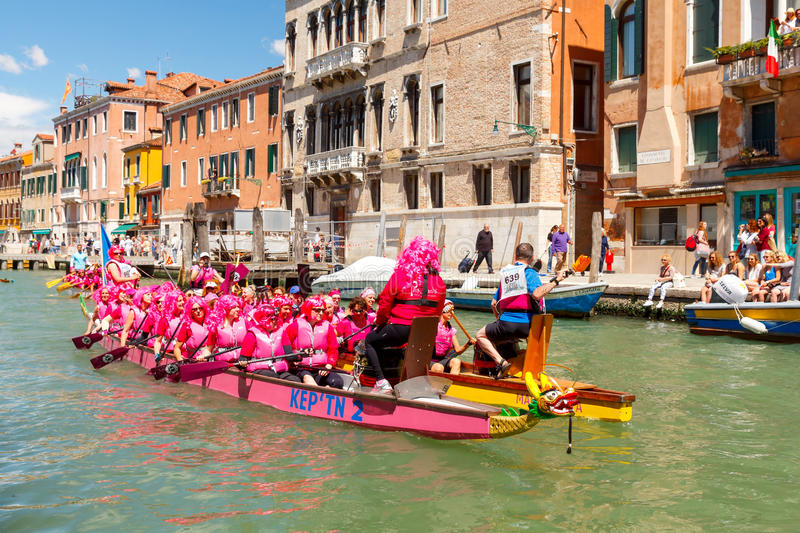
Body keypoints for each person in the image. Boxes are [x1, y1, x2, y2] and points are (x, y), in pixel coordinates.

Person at [364, 236, 447, 393]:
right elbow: (438, 312)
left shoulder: (401, 275)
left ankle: (382, 381)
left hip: (401, 327)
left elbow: (384, 304)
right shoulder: (440, 282)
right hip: (425, 332)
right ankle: (416, 382)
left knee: (369, 340)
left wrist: (380, 322)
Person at [474, 242, 564, 378]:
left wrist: (500, 321)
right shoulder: (530, 273)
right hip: (527, 327)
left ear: (515, 256)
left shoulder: (506, 275)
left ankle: (501, 362)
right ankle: (534, 372)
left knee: (480, 335)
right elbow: (537, 294)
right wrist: (556, 280)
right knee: (532, 341)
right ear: (532, 258)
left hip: (506, 325)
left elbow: (493, 304)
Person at [285, 296, 343, 389]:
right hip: (301, 367)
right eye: (317, 310)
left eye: (322, 310)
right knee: (308, 380)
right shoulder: (296, 325)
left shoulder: (327, 326)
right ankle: (319, 395)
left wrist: (329, 365)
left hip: (321, 367)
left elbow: (333, 348)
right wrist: (294, 358)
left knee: (337, 382)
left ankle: (325, 396)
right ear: (308, 309)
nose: (321, 313)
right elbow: (286, 344)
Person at [430, 300, 471, 375]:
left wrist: (468, 344)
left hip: (442, 360)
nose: (452, 313)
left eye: (453, 311)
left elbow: (458, 350)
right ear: (442, 310)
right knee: (439, 368)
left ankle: (451, 384)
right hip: (430, 360)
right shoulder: (433, 325)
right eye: (449, 310)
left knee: (456, 362)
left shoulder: (451, 330)